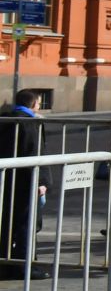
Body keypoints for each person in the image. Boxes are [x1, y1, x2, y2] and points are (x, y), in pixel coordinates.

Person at [0, 90, 48, 281]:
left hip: (6, 179)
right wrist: (42, 181)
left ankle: (5, 264)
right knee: (26, 225)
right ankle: (24, 267)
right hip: (25, 181)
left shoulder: (5, 119)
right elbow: (33, 153)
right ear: (33, 104)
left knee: (6, 224)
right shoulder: (29, 124)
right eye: (38, 104)